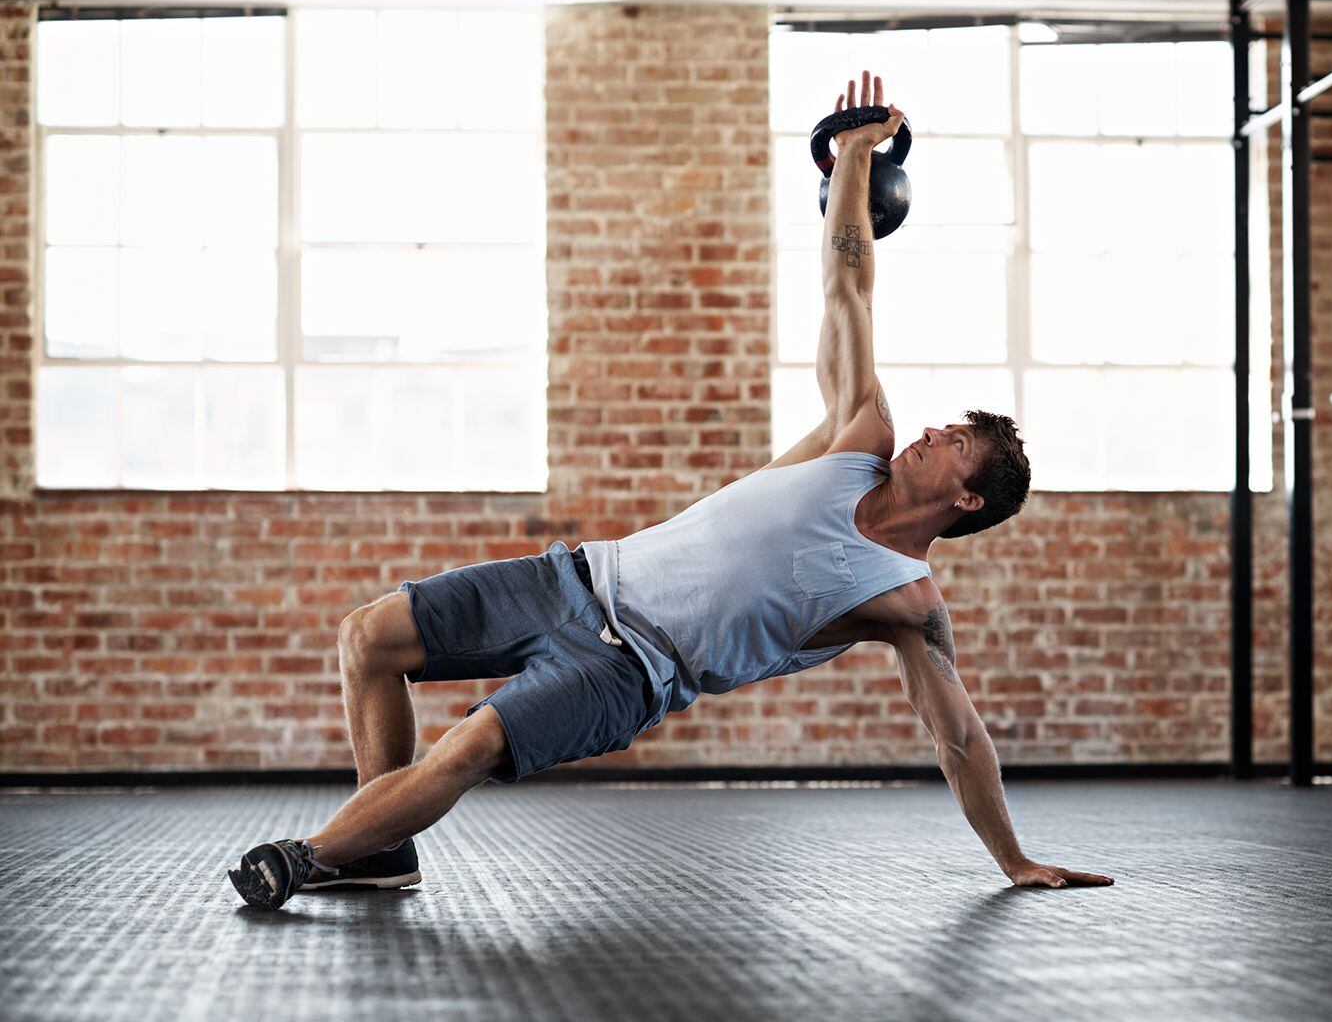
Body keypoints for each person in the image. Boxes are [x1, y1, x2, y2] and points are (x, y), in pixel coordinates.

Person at [228, 71, 1114, 910]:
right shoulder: (858, 440)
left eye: (954, 443)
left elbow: (957, 737)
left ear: (967, 500)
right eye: (943, 425)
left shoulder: (903, 602)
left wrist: (1015, 860)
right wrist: (851, 159)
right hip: (573, 577)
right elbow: (847, 288)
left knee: (470, 739)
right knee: (369, 637)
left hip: (627, 669)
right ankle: (378, 848)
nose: (929, 434)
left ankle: (314, 857)